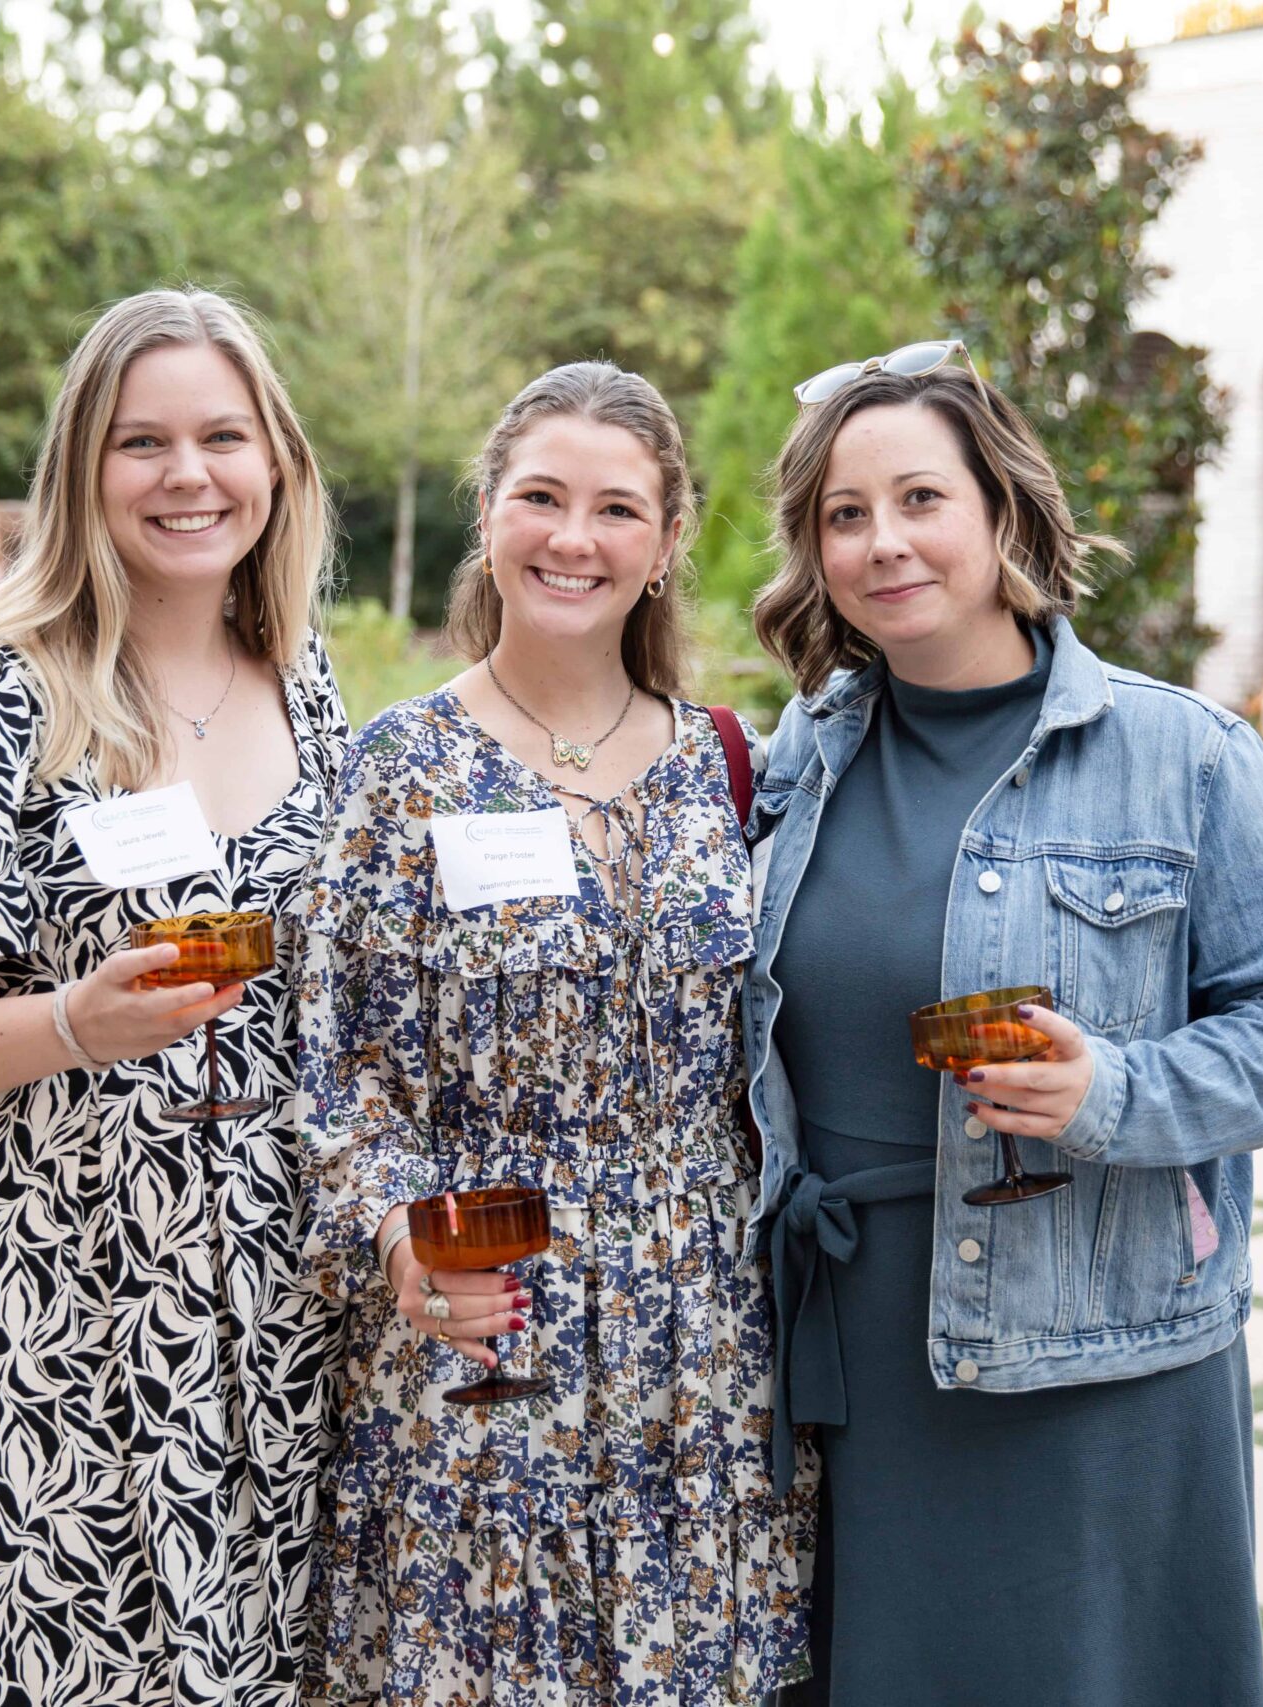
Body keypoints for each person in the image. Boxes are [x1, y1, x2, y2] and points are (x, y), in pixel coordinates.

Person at [743, 349, 1263, 1703]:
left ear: (1003, 511)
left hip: (1096, 1349)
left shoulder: (1184, 752)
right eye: (845, 514)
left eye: (921, 496)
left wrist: (1115, 1087)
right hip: (851, 1348)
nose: (883, 540)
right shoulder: (797, 755)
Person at [0, 288, 345, 1705]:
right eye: (143, 442)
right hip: (48, 1308)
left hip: (275, 1306)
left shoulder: (307, 677)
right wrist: (71, 1023)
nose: (189, 475)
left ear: (277, 461)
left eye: (223, 435)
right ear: (80, 469)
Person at [295, 363, 813, 1704]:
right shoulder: (398, 765)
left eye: (615, 509)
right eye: (541, 496)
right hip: (486, 1327)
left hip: (701, 1340)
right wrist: (395, 1229)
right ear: (489, 514)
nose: (573, 538)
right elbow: (326, 1057)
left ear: (665, 542)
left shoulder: (732, 761)